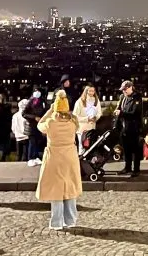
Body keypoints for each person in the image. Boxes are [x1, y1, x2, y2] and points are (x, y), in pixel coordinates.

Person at [36, 90, 82, 231]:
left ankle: (56, 222)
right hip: (70, 156)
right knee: (70, 188)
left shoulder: (50, 123)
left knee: (56, 190)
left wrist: (50, 111)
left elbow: (39, 125)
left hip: (54, 157)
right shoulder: (73, 122)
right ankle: (71, 220)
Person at [115, 80, 143, 178]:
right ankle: (127, 167)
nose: (124, 91)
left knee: (135, 149)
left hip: (134, 127)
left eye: (125, 89)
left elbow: (135, 113)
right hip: (124, 127)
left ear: (131, 87)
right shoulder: (122, 97)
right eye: (123, 90)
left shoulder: (137, 97)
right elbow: (119, 108)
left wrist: (121, 113)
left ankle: (136, 169)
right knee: (126, 149)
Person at [73, 84, 102, 155]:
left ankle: (89, 165)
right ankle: (81, 164)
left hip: (91, 129)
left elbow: (99, 112)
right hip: (82, 129)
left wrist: (96, 117)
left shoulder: (96, 101)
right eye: (90, 91)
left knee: (91, 149)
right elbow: (75, 116)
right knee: (82, 149)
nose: (91, 93)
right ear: (86, 91)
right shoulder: (80, 101)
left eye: (93, 91)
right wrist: (87, 119)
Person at [23, 90, 49, 165]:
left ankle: (36, 157)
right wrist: (34, 117)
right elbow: (24, 114)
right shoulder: (30, 102)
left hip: (39, 125)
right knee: (32, 142)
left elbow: (45, 112)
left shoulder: (42, 102)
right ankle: (31, 158)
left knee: (37, 141)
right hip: (31, 126)